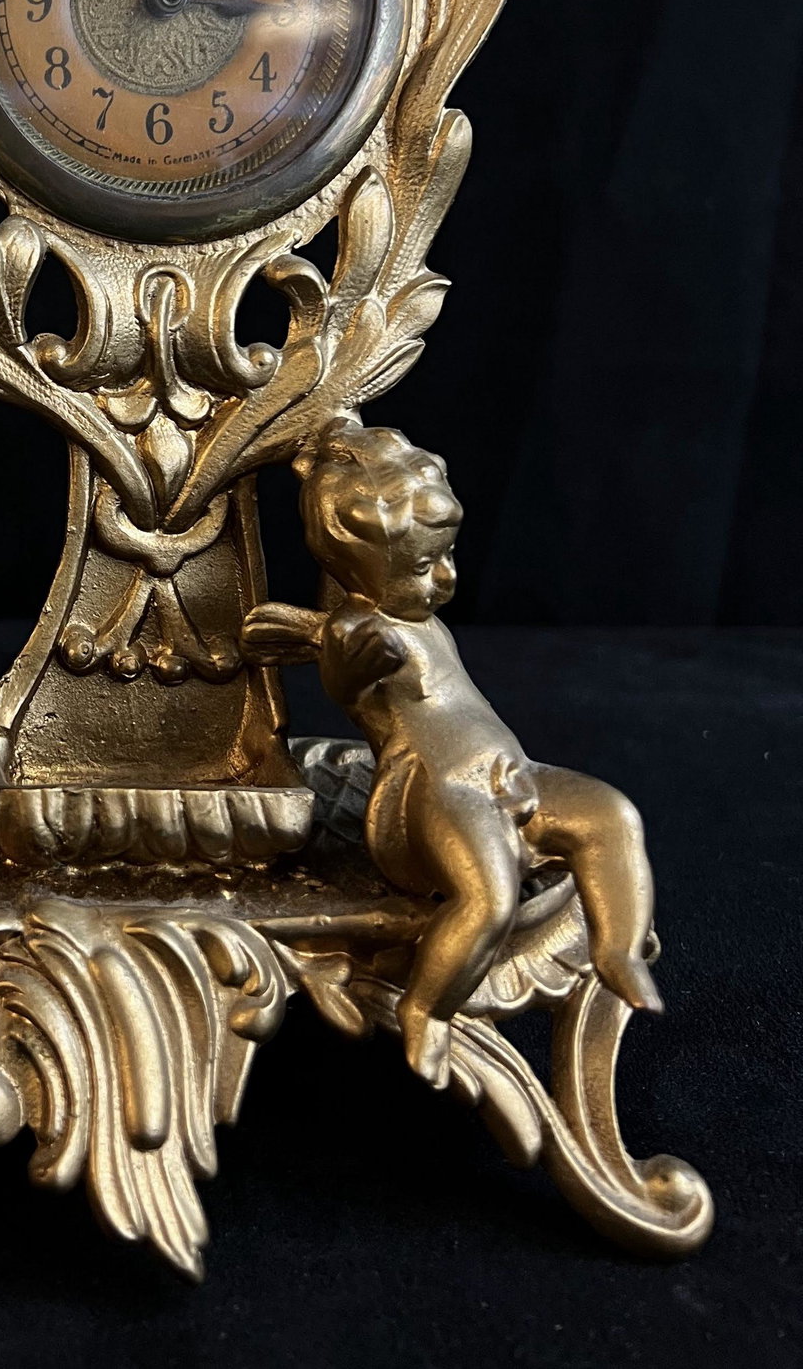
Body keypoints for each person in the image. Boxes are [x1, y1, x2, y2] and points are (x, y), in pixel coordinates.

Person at [244, 419, 661, 1088]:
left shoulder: (416, 618)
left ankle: (617, 952)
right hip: (434, 793)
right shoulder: (358, 628)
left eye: (448, 556)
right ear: (355, 567)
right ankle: (427, 1009)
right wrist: (347, 658)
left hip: (509, 773)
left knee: (612, 815)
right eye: (421, 566)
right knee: (488, 900)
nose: (445, 576)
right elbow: (343, 681)